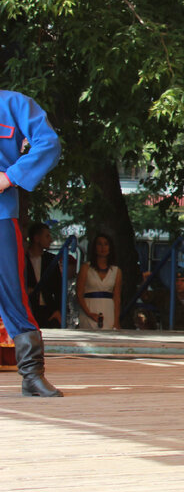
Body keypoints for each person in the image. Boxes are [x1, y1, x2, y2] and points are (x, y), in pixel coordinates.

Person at [0, 90, 63, 396]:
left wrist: (10, 176)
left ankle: (31, 374)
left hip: (0, 215)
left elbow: (49, 143)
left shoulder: (14, 104)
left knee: (13, 293)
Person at [77, 233, 122, 330]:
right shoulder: (86, 268)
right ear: (94, 247)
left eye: (106, 244)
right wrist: (89, 313)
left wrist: (116, 320)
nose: (103, 247)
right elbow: (79, 294)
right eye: (99, 244)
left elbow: (117, 298)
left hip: (108, 310)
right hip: (89, 309)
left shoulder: (116, 271)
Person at [25, 222, 63, 328]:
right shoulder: (23, 259)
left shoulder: (51, 260)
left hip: (49, 312)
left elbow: (59, 288)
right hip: (29, 310)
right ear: (37, 238)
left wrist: (58, 311)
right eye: (47, 236)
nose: (50, 240)